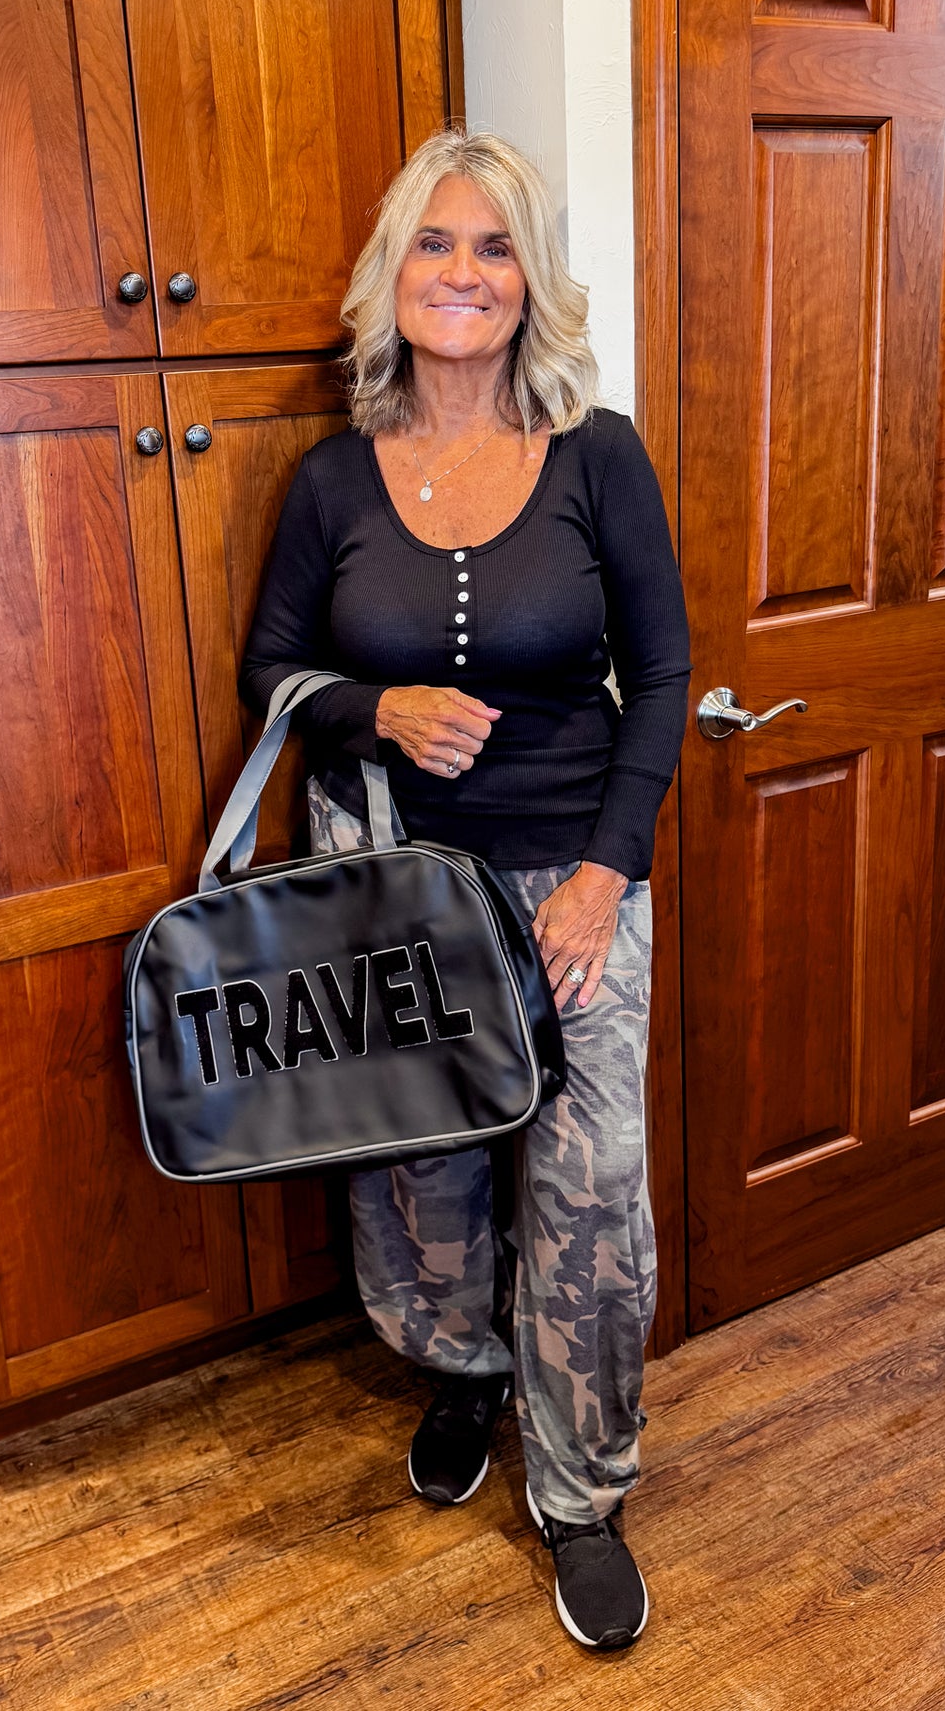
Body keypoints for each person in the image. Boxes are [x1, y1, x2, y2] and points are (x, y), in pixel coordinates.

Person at [240, 127, 690, 1651]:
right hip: (394, 899)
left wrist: (602, 877)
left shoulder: (597, 455)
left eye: (494, 246)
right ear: (392, 275)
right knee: (417, 1174)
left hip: (569, 885)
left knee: (587, 1195)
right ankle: (464, 1375)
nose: (462, 272)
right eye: (433, 242)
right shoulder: (329, 480)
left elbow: (662, 675)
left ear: (529, 283)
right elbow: (270, 671)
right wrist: (378, 709)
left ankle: (582, 1492)